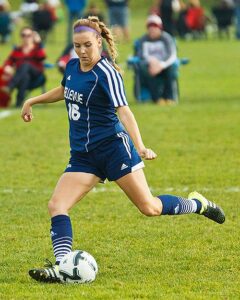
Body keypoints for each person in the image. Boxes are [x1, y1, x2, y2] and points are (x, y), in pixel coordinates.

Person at [21, 16, 225, 283]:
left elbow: (124, 110)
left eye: (87, 46)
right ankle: (63, 268)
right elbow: (64, 89)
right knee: (57, 205)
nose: (82, 52)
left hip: (113, 150)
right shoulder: (72, 66)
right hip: (84, 155)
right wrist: (32, 100)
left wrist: (140, 146)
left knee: (149, 207)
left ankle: (198, 204)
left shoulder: (107, 73)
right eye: (77, 46)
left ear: (99, 42)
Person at [134, 14, 178, 105]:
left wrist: (161, 65)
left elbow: (172, 55)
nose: (152, 29)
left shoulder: (167, 38)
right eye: (150, 26)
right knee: (146, 70)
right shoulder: (143, 40)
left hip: (164, 65)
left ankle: (169, 97)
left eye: (155, 26)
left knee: (171, 68)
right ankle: (157, 98)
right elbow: (142, 55)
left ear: (160, 27)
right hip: (150, 65)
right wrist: (152, 62)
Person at [2, 27, 46, 107]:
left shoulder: (37, 48)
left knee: (26, 65)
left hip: (37, 75)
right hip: (22, 76)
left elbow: (42, 57)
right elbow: (9, 61)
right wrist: (7, 67)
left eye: (29, 35)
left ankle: (10, 87)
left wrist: (39, 43)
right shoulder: (17, 50)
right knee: (25, 76)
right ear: (21, 37)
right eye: (23, 35)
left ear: (32, 37)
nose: (26, 38)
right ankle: (19, 103)